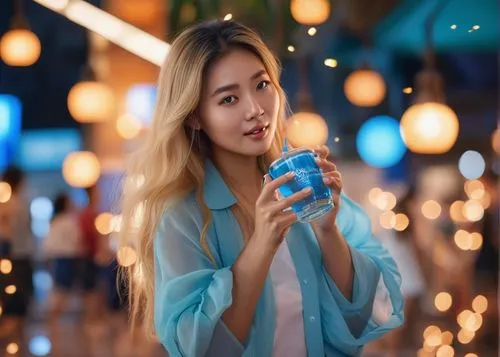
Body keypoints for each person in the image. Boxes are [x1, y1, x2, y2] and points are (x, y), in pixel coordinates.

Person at [119, 20, 404, 356]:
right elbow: (205, 349)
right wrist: (262, 243)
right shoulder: (183, 217)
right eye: (228, 99)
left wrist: (328, 232)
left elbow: (360, 319)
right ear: (195, 116)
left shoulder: (302, 188)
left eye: (262, 85)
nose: (255, 110)